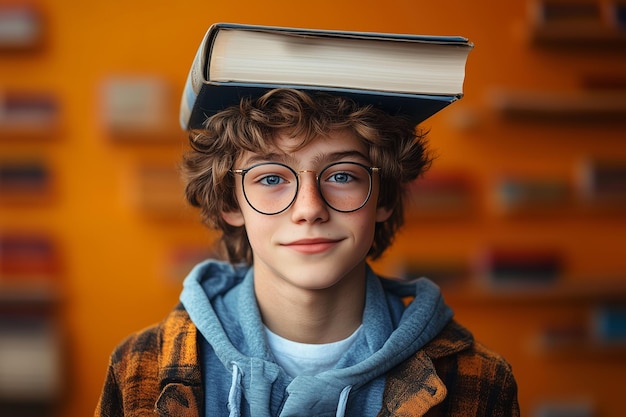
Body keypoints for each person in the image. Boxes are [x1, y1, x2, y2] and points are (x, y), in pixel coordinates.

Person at [95, 87, 519, 417]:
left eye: (341, 174)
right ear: (230, 203)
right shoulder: (140, 368)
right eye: (270, 178)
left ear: (383, 195)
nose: (310, 209)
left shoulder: (478, 377)